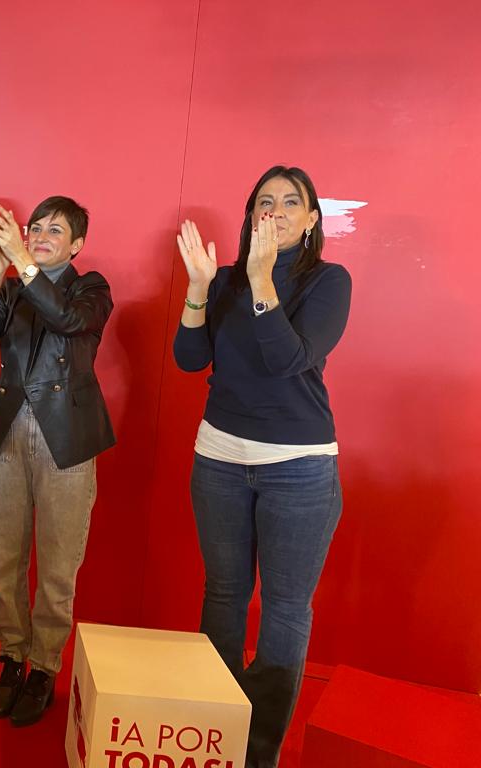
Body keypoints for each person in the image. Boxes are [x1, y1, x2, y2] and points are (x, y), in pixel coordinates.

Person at [173, 166, 352, 767]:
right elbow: (189, 359)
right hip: (219, 459)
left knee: (282, 609)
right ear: (251, 214)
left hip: (298, 471)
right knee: (223, 596)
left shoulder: (328, 281)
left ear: (310, 220)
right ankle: (213, 738)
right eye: (263, 201)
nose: (274, 210)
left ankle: (257, 753)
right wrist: (200, 288)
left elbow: (287, 359)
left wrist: (259, 278)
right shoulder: (224, 279)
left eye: (289, 202)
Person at [0, 197, 115, 726]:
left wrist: (23, 264)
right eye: (34, 227)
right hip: (7, 433)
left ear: (76, 244)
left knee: (58, 565)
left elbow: (69, 320)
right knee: (5, 558)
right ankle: (11, 654)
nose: (41, 234)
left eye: (56, 229)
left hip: (66, 440)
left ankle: (46, 665)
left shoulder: (91, 289)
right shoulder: (11, 286)